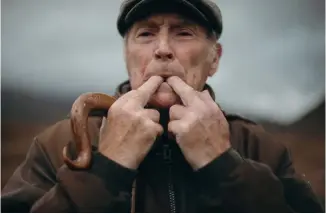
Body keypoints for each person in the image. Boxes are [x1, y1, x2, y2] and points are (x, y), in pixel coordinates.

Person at [1, 0, 323, 212]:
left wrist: (226, 168)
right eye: (145, 34)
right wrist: (106, 170)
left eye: (184, 33)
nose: (163, 50)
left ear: (215, 59)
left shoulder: (263, 148)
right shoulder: (54, 146)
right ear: (126, 54)